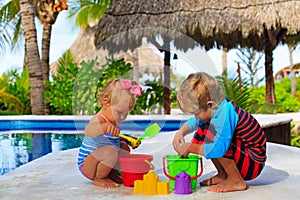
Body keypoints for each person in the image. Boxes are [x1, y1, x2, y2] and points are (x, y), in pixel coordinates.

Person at [172, 72, 266, 193]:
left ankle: (236, 180)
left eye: (197, 113)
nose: (196, 117)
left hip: (252, 162)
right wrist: (182, 131)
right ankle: (223, 174)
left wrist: (190, 147)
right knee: (204, 130)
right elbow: (195, 121)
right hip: (244, 157)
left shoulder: (225, 113)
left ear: (210, 105)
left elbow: (219, 148)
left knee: (214, 138)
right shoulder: (217, 108)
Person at [77, 78, 142, 188]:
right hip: (88, 165)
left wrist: (128, 140)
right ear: (106, 103)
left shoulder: (114, 121)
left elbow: (113, 140)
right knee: (110, 151)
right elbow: (88, 131)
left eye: (126, 114)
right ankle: (100, 178)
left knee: (124, 147)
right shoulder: (99, 120)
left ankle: (112, 173)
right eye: (120, 112)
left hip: (103, 160)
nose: (122, 117)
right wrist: (105, 127)